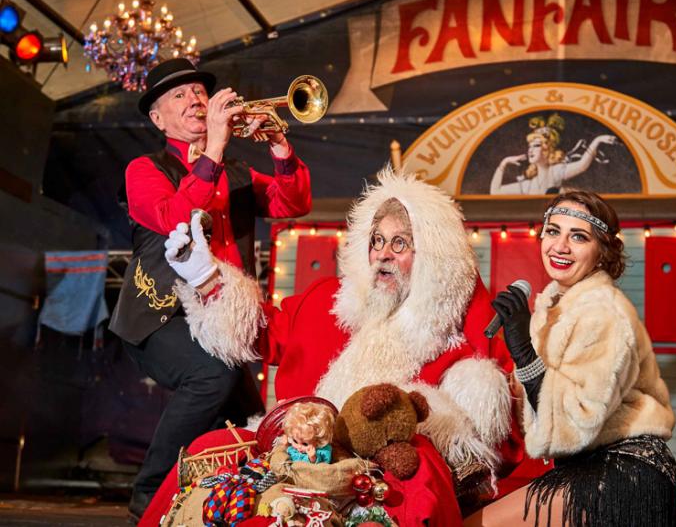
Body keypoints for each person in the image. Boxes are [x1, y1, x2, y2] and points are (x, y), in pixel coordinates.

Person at [147, 168, 524, 526]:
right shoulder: (329, 301)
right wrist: (206, 277)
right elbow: (260, 332)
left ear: (432, 257)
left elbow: (494, 431)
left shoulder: (458, 328)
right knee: (207, 449)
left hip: (380, 468)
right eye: (376, 240)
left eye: (400, 243)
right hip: (295, 445)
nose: (383, 254)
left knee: (418, 482)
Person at [107, 58, 312, 521]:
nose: (195, 99)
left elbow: (293, 202)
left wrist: (279, 145)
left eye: (199, 91)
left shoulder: (235, 172)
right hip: (159, 319)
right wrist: (215, 146)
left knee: (249, 422)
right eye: (178, 96)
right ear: (158, 119)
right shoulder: (144, 169)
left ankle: (231, 504)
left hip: (220, 323)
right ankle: (147, 492)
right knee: (212, 376)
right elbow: (172, 217)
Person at [465, 189, 676, 526]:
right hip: (587, 468)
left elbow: (574, 423)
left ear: (602, 252)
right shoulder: (553, 310)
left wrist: (521, 347)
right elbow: (533, 410)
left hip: (623, 471)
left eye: (578, 236)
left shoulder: (603, 311)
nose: (560, 246)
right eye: (553, 231)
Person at [490, 114, 617, 195]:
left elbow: (582, 165)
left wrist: (597, 141)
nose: (530, 150)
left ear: (547, 150)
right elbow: (495, 192)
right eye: (530, 146)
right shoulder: (527, 185)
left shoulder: (556, 172)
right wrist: (504, 163)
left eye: (536, 145)